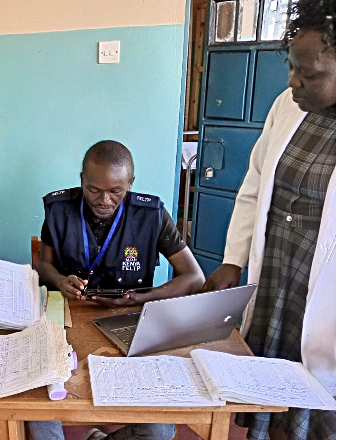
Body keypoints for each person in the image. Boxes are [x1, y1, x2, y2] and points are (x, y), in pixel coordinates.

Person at [202, 1, 335, 438]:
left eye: (310, 74)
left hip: (325, 291)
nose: (293, 81)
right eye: (292, 67)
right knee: (267, 391)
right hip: (278, 273)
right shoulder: (287, 106)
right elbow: (255, 185)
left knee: (318, 404)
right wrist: (232, 260)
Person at [32, 140, 204, 440]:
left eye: (116, 191)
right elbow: (44, 264)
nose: (104, 200)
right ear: (82, 180)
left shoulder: (151, 215)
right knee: (36, 412)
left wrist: (142, 297)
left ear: (130, 184)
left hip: (130, 324)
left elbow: (194, 277)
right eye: (93, 190)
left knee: (159, 432)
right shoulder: (59, 210)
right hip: (68, 322)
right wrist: (61, 281)